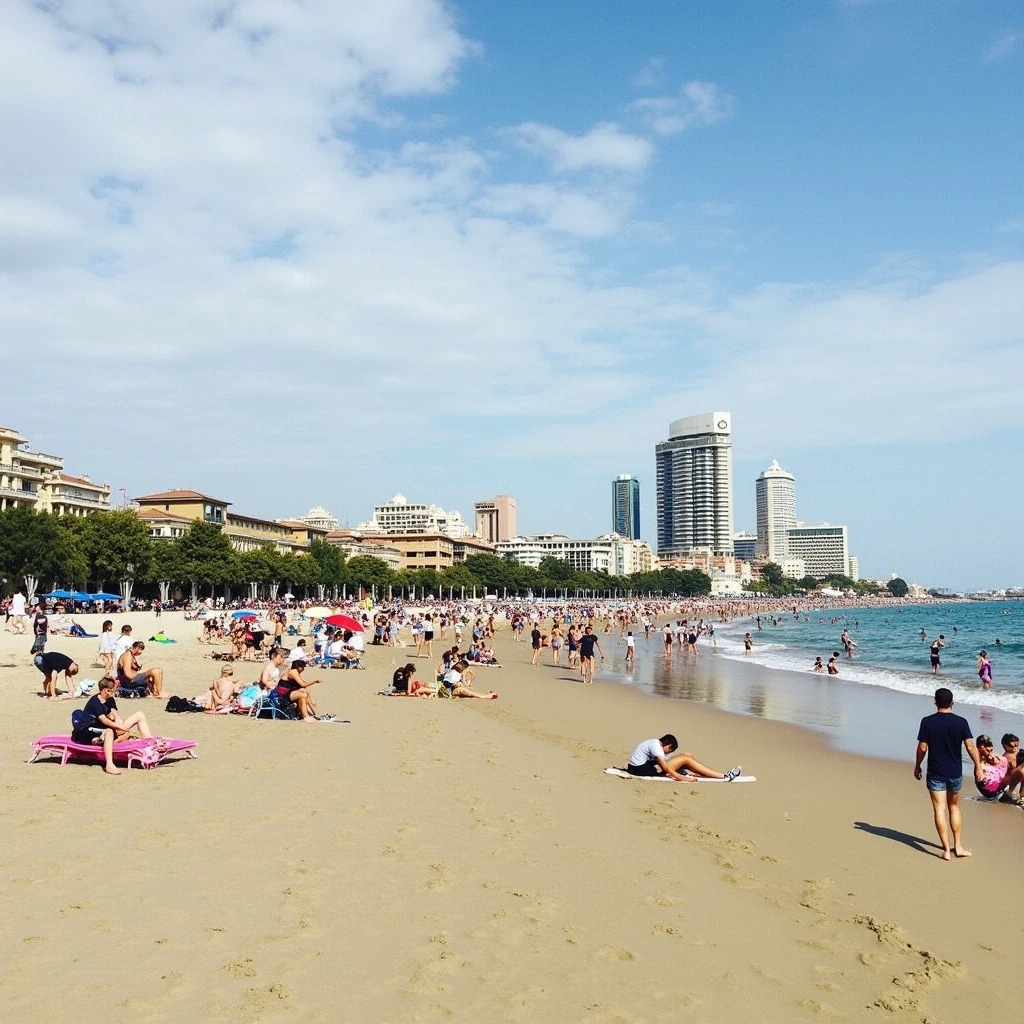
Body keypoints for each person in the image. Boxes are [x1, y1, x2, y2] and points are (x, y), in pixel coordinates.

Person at [914, 688, 982, 860]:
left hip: (936, 771)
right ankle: (958, 846)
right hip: (955, 772)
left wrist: (918, 765)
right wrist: (978, 766)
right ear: (953, 702)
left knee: (939, 808)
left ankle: (946, 850)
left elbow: (922, 748)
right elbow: (970, 746)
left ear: (935, 702)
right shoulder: (961, 722)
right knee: (954, 807)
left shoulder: (927, 722)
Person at [71, 677, 154, 776]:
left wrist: (120, 725)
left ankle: (150, 743)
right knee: (109, 731)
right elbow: (104, 720)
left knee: (139, 715)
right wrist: (120, 728)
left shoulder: (110, 700)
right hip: (88, 730)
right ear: (107, 690)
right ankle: (109, 764)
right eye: (114, 690)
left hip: (103, 728)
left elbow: (115, 715)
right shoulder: (95, 702)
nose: (116, 692)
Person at [625, 734, 741, 782]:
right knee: (686, 759)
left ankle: (714, 774)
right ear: (668, 745)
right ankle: (725, 776)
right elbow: (665, 768)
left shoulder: (655, 743)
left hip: (639, 768)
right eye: (670, 750)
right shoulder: (657, 747)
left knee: (687, 756)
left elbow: (664, 762)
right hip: (640, 770)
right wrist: (683, 778)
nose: (668, 753)